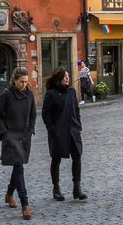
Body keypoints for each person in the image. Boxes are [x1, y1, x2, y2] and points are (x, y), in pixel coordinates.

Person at [0, 67, 36, 221]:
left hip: (24, 135)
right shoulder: (7, 95)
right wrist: (5, 133)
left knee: (18, 166)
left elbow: (33, 114)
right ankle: (25, 204)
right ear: (14, 81)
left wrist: (30, 130)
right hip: (11, 135)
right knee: (19, 167)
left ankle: (9, 194)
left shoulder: (29, 94)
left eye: (25, 82)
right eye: (21, 82)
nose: (24, 85)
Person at [41, 67, 86, 203]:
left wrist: (78, 124)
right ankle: (56, 189)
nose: (67, 78)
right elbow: (45, 114)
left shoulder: (72, 92)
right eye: (64, 76)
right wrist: (52, 129)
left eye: (68, 76)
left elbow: (76, 110)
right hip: (59, 132)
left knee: (77, 157)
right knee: (56, 160)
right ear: (58, 79)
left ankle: (77, 188)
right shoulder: (51, 94)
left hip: (73, 130)